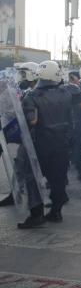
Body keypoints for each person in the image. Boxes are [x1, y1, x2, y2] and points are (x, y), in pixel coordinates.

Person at [19, 61, 73, 227]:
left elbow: (32, 120)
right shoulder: (66, 93)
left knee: (33, 178)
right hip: (62, 142)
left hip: (40, 144)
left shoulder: (32, 96)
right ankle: (56, 212)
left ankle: (36, 215)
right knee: (57, 178)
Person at [0, 62, 39, 208]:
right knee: (20, 163)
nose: (22, 78)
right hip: (28, 136)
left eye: (24, 74)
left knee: (35, 168)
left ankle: (51, 200)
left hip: (39, 136)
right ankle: (15, 194)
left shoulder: (37, 93)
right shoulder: (28, 91)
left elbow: (34, 118)